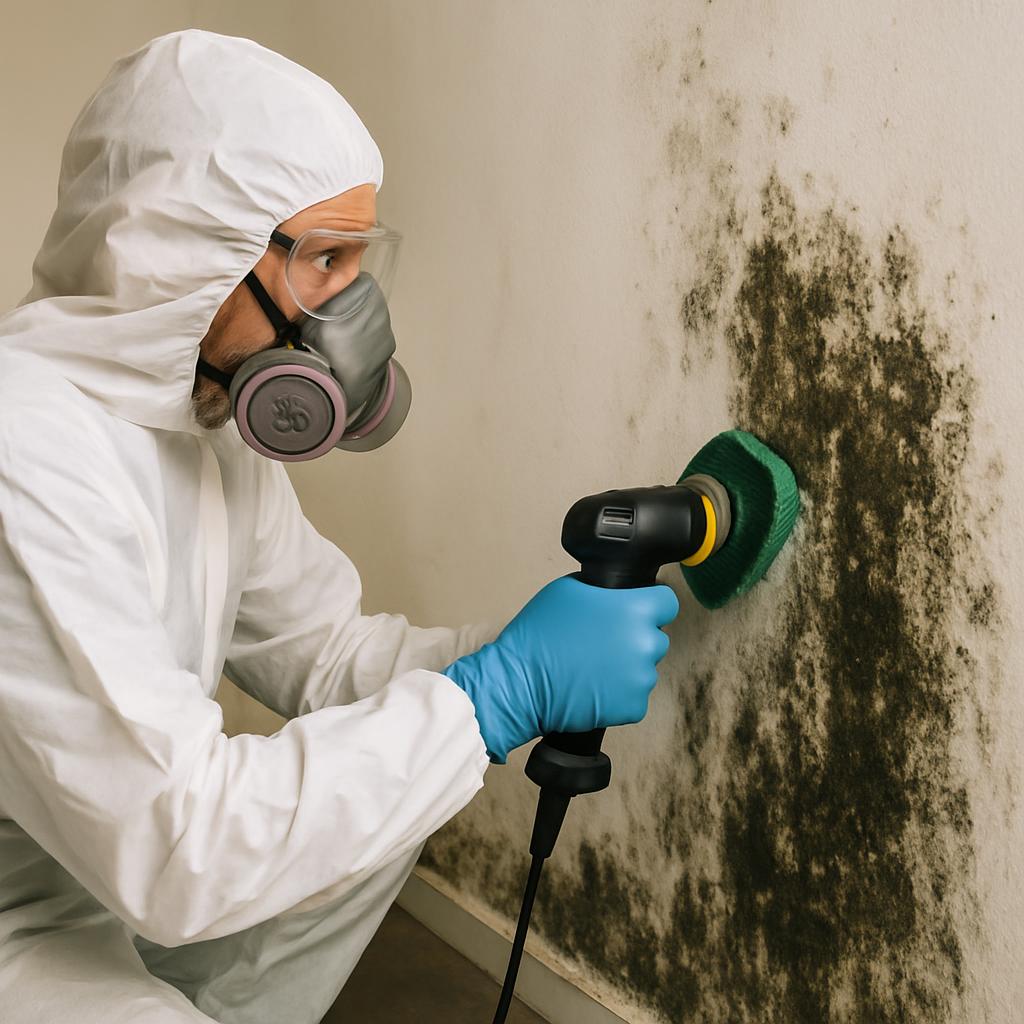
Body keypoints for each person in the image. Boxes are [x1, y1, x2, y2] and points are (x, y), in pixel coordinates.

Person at [0, 30, 678, 1024]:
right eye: (324, 257)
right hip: (33, 913)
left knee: (391, 790)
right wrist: (487, 698)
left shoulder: (198, 426)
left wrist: (513, 662)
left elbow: (325, 657)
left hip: (96, 881)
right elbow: (175, 844)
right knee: (399, 758)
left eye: (361, 257)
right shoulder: (26, 453)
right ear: (185, 253)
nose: (351, 304)